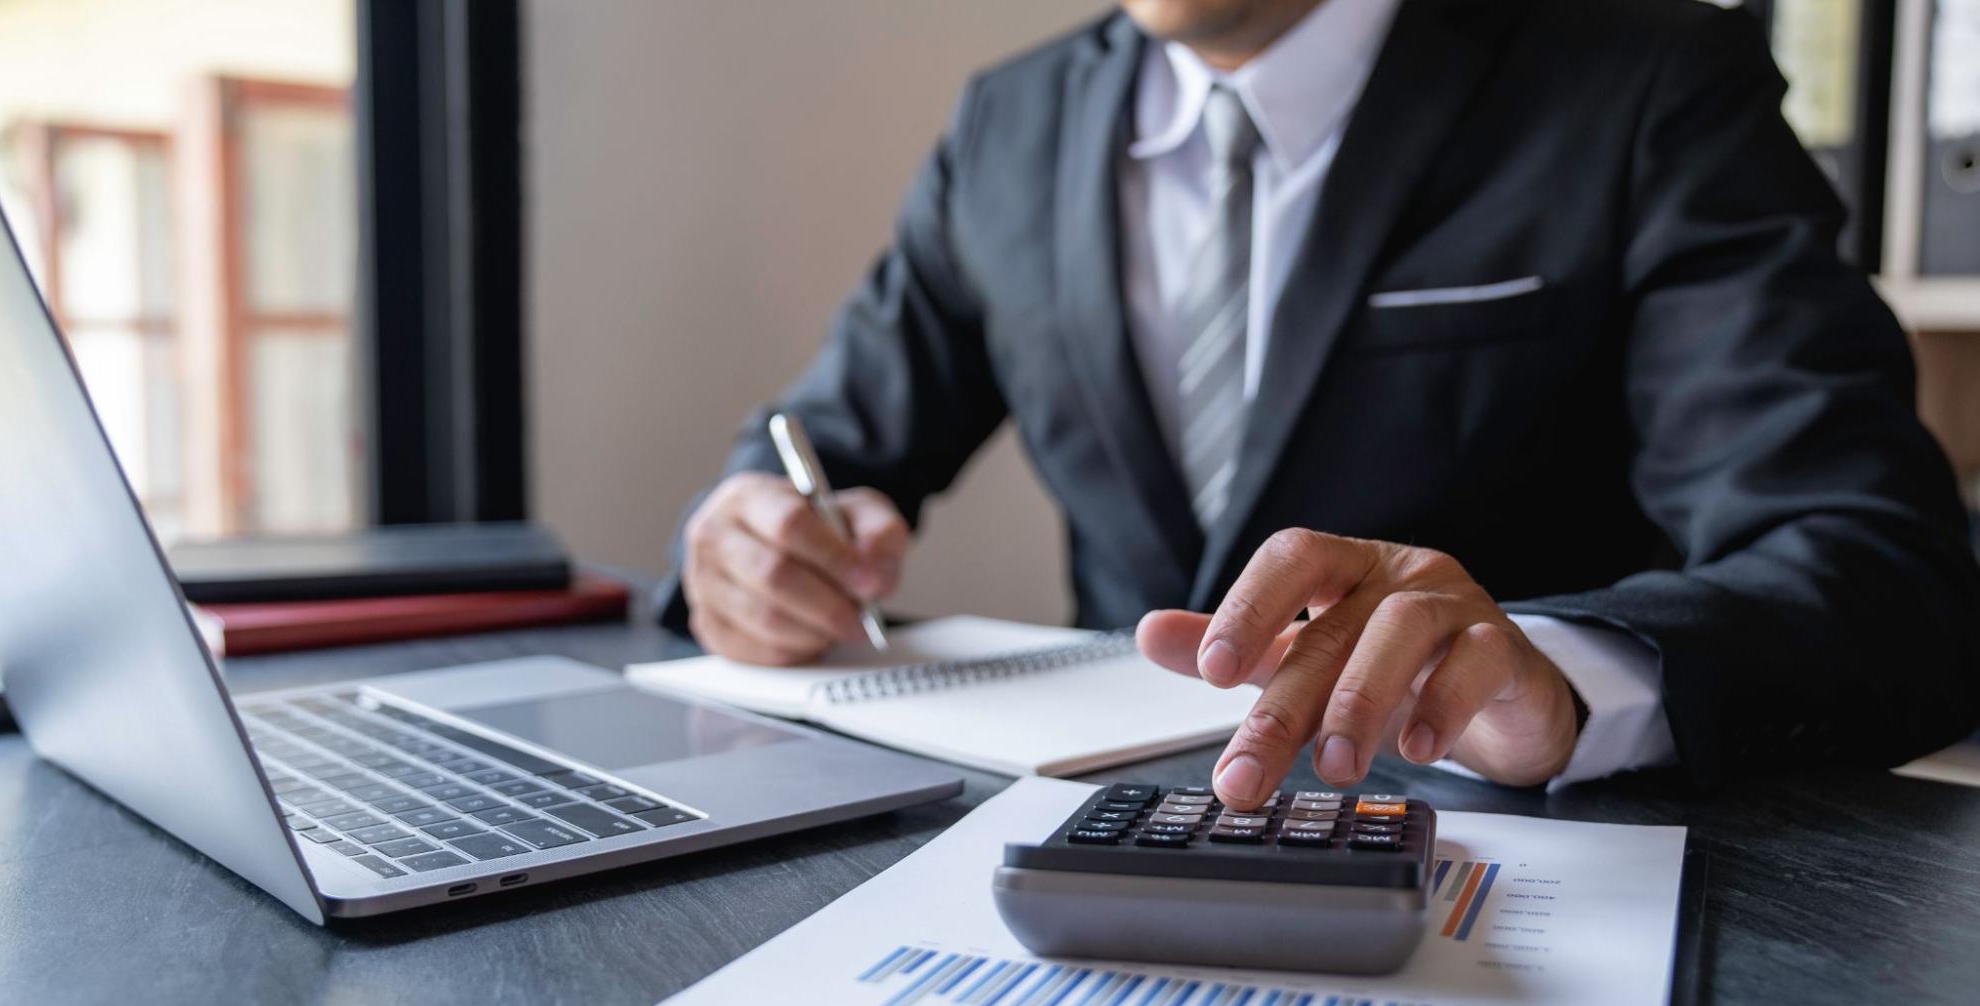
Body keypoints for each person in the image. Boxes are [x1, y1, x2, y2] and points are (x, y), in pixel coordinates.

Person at [657, 0, 1980, 810]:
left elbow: (1883, 574)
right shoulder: (1010, 124)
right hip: (1077, 853)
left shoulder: (1647, 84)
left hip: (1516, 882)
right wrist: (746, 546)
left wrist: (1563, 675)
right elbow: (814, 455)